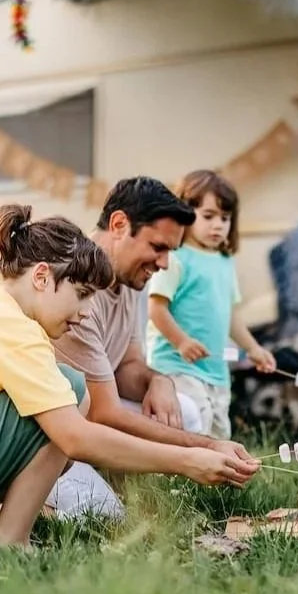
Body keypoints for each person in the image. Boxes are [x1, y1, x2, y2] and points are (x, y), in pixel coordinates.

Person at [0, 203, 259, 552]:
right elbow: (76, 438)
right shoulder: (14, 330)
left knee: (59, 394)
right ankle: (9, 544)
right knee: (72, 390)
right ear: (43, 277)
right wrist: (188, 461)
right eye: (81, 294)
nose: (84, 312)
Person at [47, 177, 259, 518]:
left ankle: (118, 483)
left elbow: (127, 365)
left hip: (88, 422)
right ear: (119, 225)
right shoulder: (77, 288)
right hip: (52, 438)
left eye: (170, 252)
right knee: (100, 516)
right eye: (157, 247)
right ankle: (15, 500)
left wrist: (159, 381)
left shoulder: (132, 280)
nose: (163, 264)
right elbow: (104, 412)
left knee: (184, 411)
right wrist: (206, 449)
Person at [146, 170, 277, 440]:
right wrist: (181, 342)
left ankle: (213, 481)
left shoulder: (225, 262)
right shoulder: (176, 258)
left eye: (225, 218)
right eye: (208, 216)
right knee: (195, 426)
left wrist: (253, 348)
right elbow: (156, 308)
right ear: (185, 213)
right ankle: (181, 480)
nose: (218, 225)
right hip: (177, 366)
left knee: (219, 432)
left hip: (216, 371)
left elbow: (229, 316)